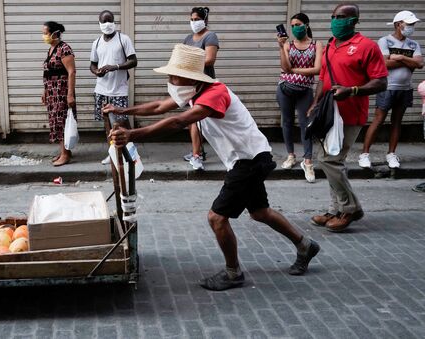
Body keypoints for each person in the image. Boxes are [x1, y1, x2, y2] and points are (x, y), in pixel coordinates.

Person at [104, 44, 320, 291]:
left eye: (174, 76)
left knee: (217, 218)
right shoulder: (194, 92)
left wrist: (132, 134)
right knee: (260, 212)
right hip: (249, 157)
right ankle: (305, 245)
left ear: (190, 78)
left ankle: (233, 272)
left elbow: (177, 121)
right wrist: (122, 110)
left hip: (248, 161)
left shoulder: (215, 93)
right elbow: (159, 107)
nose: (170, 80)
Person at [310, 3, 388, 232]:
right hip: (327, 113)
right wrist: (315, 104)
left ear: (354, 20)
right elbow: (323, 78)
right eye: (333, 16)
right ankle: (337, 209)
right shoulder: (330, 45)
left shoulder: (367, 46)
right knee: (329, 160)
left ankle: (351, 208)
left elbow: (381, 82)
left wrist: (352, 90)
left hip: (350, 114)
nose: (336, 20)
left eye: (341, 17)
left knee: (330, 160)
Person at [359, 10, 423, 169]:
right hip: (387, 87)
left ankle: (391, 154)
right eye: (409, 24)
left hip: (405, 88)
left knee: (396, 122)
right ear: (398, 24)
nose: (411, 27)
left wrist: (400, 57)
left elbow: (420, 64)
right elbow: (385, 64)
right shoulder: (385, 41)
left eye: (413, 24)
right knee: (379, 119)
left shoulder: (413, 44)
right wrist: (409, 61)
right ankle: (365, 154)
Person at [276, 13, 322, 183]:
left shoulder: (317, 45)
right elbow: (284, 66)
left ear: (307, 24)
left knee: (306, 124)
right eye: (293, 25)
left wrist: (293, 71)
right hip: (284, 89)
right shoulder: (288, 44)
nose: (295, 27)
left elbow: (317, 69)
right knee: (286, 122)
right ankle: (290, 155)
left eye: (298, 24)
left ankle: (308, 161)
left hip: (305, 90)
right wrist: (281, 47)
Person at [90, 10, 137, 165]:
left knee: (122, 121)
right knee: (107, 124)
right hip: (101, 89)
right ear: (99, 24)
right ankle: (113, 152)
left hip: (119, 89)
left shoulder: (123, 39)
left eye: (109, 21)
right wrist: (97, 72)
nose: (107, 24)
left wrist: (115, 66)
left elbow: (133, 61)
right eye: (104, 22)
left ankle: (130, 151)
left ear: (114, 21)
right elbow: (92, 64)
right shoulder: (96, 42)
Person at [181, 6, 219, 171]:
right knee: (192, 121)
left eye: (197, 19)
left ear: (205, 20)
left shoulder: (210, 36)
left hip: (204, 84)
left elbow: (210, 59)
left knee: (195, 119)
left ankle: (196, 157)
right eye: (192, 19)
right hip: (190, 84)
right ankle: (198, 151)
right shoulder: (188, 38)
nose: (194, 22)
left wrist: (189, 62)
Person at [42, 21, 76, 166]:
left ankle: (65, 154)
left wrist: (70, 94)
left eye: (46, 33)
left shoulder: (64, 49)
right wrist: (45, 92)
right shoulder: (51, 49)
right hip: (52, 92)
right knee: (56, 121)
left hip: (61, 91)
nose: (44, 36)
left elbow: (71, 72)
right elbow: (48, 73)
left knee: (62, 122)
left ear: (55, 34)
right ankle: (65, 151)